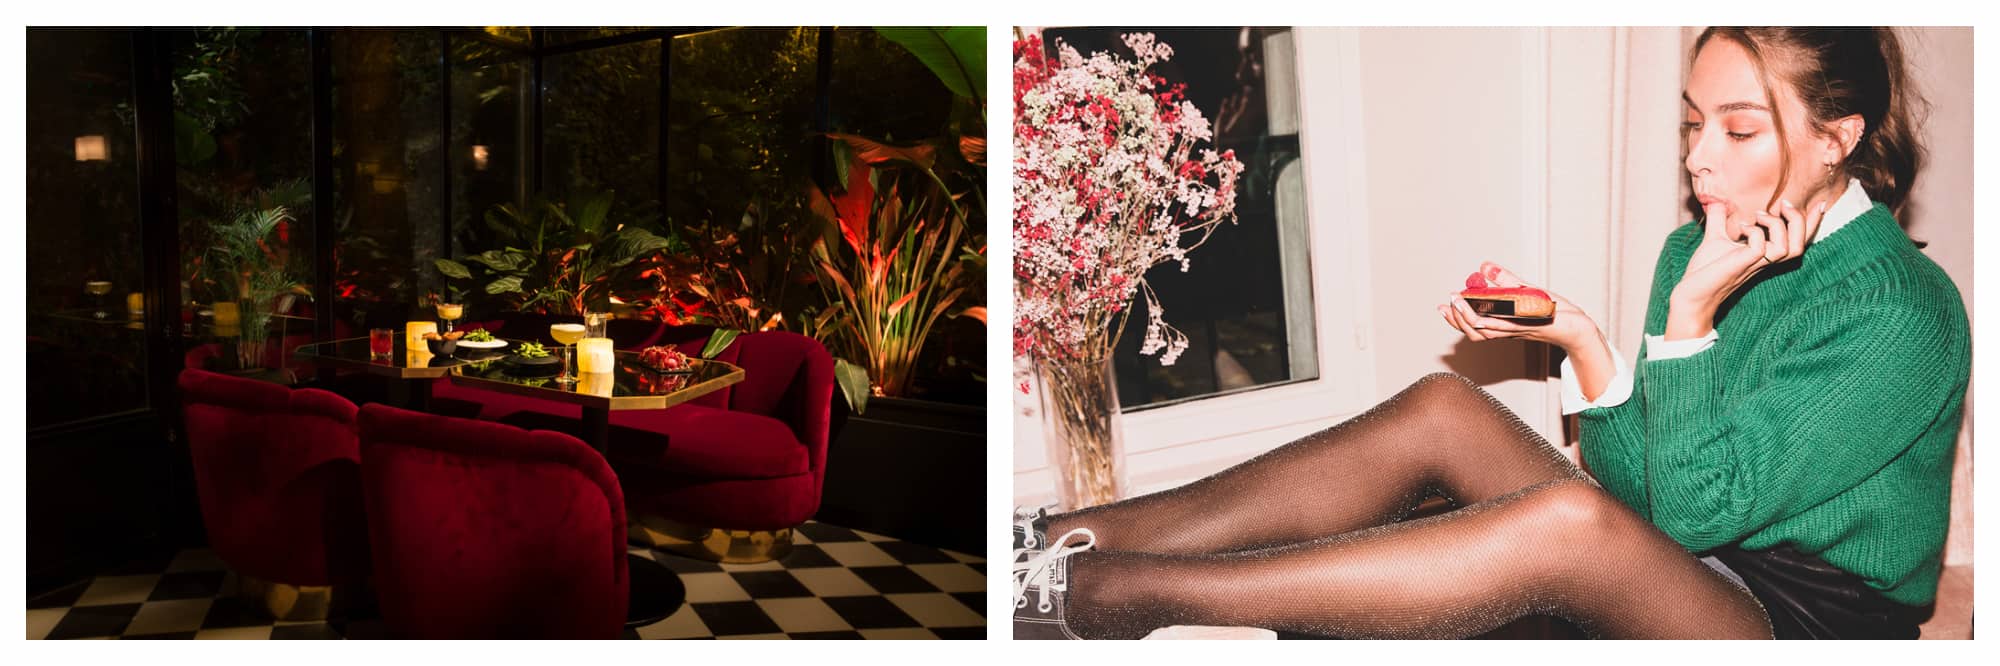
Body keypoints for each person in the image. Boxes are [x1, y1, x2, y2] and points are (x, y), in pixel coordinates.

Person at [1012, 27, 1968, 640]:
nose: (1697, 157)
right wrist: (1584, 341)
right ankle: (1052, 544)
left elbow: (1686, 514)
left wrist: (1685, 324)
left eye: (1738, 130)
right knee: (1444, 408)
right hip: (1689, 553)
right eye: (1689, 124)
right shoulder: (1701, 249)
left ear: (1838, 137)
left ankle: (1103, 601)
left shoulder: (1902, 315)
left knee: (1567, 526)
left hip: (1789, 620)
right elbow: (1644, 486)